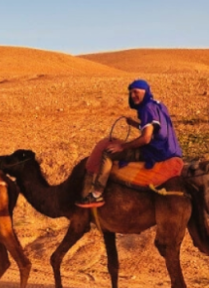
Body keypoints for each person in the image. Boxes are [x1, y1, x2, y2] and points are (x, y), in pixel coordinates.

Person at [77, 79, 182, 208]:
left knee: (108, 153)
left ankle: (96, 194)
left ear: (145, 91)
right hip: (171, 149)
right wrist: (135, 124)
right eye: (131, 93)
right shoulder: (158, 105)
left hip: (157, 152)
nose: (133, 96)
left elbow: (146, 138)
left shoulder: (146, 108)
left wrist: (122, 146)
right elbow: (154, 130)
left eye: (136, 92)